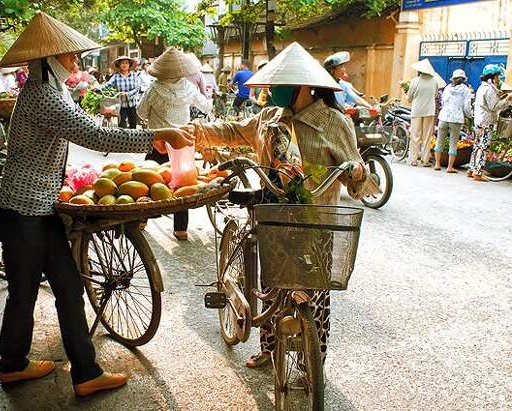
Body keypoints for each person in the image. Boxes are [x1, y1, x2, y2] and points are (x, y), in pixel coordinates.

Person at [0, 12, 194, 398]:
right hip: (22, 211)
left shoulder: (52, 91)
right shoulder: (41, 95)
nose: (75, 62)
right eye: (68, 56)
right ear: (48, 59)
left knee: (68, 287)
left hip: (40, 209)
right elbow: (91, 132)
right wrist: (155, 135)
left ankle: (82, 372)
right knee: (26, 291)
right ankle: (14, 365)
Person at [190, 42, 374, 368]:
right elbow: (233, 131)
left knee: (314, 296)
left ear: (301, 85)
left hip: (317, 222)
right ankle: (269, 348)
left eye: (277, 85)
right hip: (273, 214)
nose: (271, 90)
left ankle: (311, 363)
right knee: (272, 284)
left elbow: (357, 181)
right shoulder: (269, 117)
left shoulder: (334, 122)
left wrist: (358, 171)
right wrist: (196, 132)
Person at [137, 48, 212, 241]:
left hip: (157, 142)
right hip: (181, 143)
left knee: (148, 181)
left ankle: (141, 219)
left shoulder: (154, 88)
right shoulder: (188, 87)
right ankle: (180, 229)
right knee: (182, 184)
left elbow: (141, 112)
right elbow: (205, 106)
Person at [468, 64, 512, 181]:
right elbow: (494, 106)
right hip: (486, 122)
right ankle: (478, 173)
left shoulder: (482, 87)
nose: (498, 79)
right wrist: (507, 100)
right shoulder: (489, 89)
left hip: (479, 121)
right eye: (497, 76)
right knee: (484, 147)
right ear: (493, 77)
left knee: (477, 145)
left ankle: (472, 169)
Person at [434, 69, 473, 172]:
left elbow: (443, 101)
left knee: (439, 141)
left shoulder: (447, 88)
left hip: (443, 117)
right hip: (456, 118)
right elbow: (467, 107)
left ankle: (437, 164)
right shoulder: (466, 90)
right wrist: (469, 116)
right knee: (453, 143)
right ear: (463, 79)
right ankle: (450, 167)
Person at [407, 59, 439, 166]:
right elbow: (435, 95)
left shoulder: (415, 81)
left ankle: (413, 160)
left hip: (417, 111)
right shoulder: (434, 81)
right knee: (427, 136)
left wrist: (411, 98)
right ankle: (425, 160)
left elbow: (409, 97)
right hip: (429, 111)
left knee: (415, 135)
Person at [96, 56, 140, 128]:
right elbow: (108, 84)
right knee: (121, 124)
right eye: (122, 63)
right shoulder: (116, 76)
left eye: (126, 63)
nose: (124, 65)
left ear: (129, 65)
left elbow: (137, 88)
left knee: (133, 124)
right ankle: (122, 138)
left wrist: (127, 94)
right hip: (120, 104)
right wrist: (98, 88)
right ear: (119, 65)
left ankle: (133, 138)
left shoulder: (134, 75)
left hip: (132, 103)